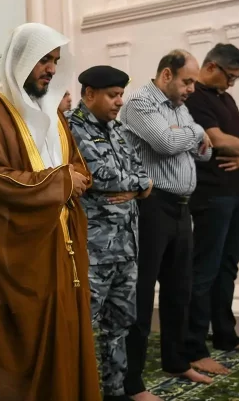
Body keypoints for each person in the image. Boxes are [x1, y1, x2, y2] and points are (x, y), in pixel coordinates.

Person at [0, 22, 101, 401]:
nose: (51, 69)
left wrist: (70, 178)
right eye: (43, 59)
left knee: (65, 339)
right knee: (16, 350)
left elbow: (78, 167)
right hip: (14, 255)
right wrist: (61, 181)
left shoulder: (52, 112)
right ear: (20, 59)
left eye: (55, 61)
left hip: (60, 250)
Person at [121, 50, 213, 401]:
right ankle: (132, 383)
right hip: (151, 206)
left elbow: (205, 152)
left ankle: (176, 362)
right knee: (141, 295)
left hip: (181, 208)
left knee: (179, 291)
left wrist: (188, 133)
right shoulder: (140, 103)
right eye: (187, 81)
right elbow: (167, 142)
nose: (191, 89)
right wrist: (195, 132)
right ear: (166, 75)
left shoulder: (178, 107)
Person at [68, 66, 153, 401]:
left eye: (121, 95)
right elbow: (100, 176)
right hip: (94, 250)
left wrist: (139, 184)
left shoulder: (116, 130)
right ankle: (80, 392)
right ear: (89, 94)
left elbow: (141, 171)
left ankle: (115, 391)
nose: (119, 102)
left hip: (126, 247)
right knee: (82, 327)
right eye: (112, 95)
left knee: (119, 326)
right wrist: (139, 185)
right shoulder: (72, 127)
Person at [181, 43, 239, 375]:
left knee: (228, 267)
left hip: (237, 193)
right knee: (205, 271)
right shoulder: (196, 98)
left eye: (236, 78)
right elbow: (217, 140)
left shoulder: (226, 99)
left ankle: (225, 335)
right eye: (230, 76)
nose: (232, 83)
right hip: (211, 195)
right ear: (212, 67)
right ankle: (194, 348)